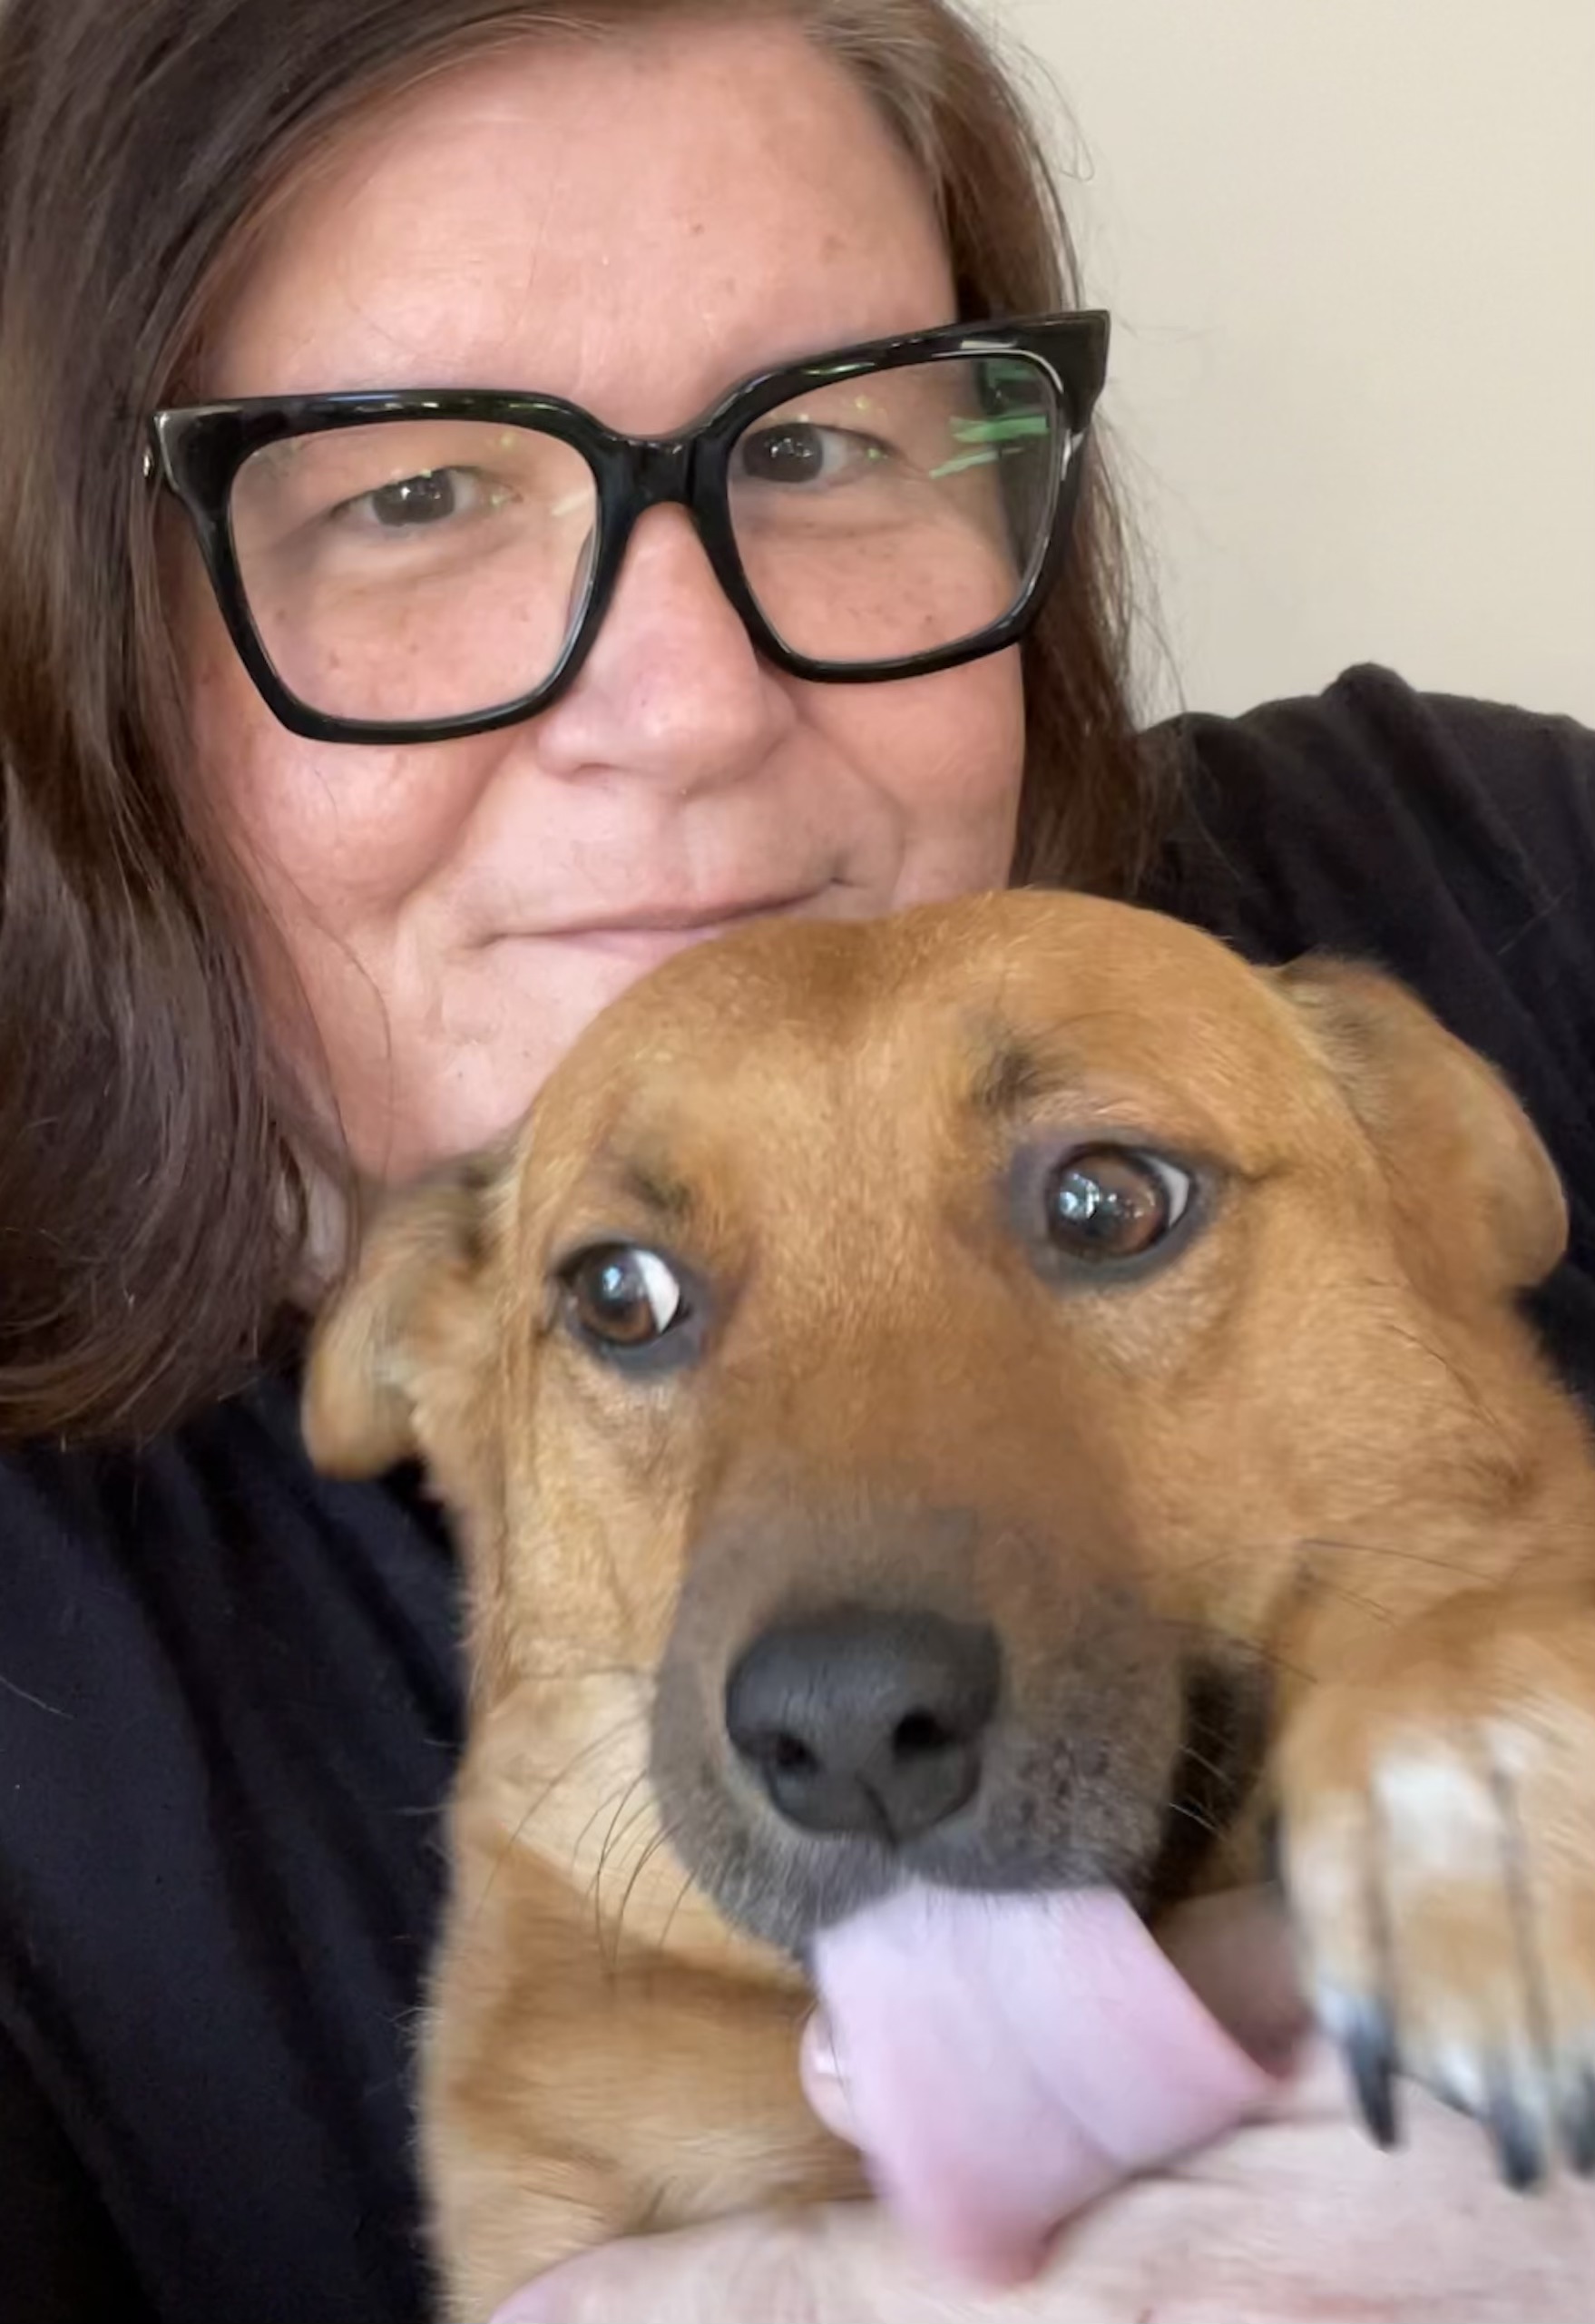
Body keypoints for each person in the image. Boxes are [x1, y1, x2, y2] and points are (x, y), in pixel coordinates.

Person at [0, 1, 1591, 2319]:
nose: (690, 702)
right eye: (410, 494)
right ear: (78, 638)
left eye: (824, 442)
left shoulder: (1483, 877)